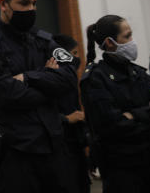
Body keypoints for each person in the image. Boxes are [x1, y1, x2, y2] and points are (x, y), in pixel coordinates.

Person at [0, 0, 80, 193]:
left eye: (34, 3)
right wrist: (50, 83)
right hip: (16, 151)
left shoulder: (44, 39)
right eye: (24, 3)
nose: (31, 9)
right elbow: (7, 94)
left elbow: (69, 76)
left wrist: (30, 77)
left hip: (53, 148)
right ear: (3, 4)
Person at [80, 15, 150, 193]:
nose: (132, 41)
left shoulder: (138, 73)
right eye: (127, 36)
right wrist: (149, 114)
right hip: (121, 171)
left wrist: (133, 115)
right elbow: (112, 126)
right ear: (110, 43)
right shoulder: (96, 78)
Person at [52, 34, 91, 193]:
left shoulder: (70, 78)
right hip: (61, 150)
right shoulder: (52, 79)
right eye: (74, 53)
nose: (78, 58)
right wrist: (67, 119)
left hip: (76, 145)